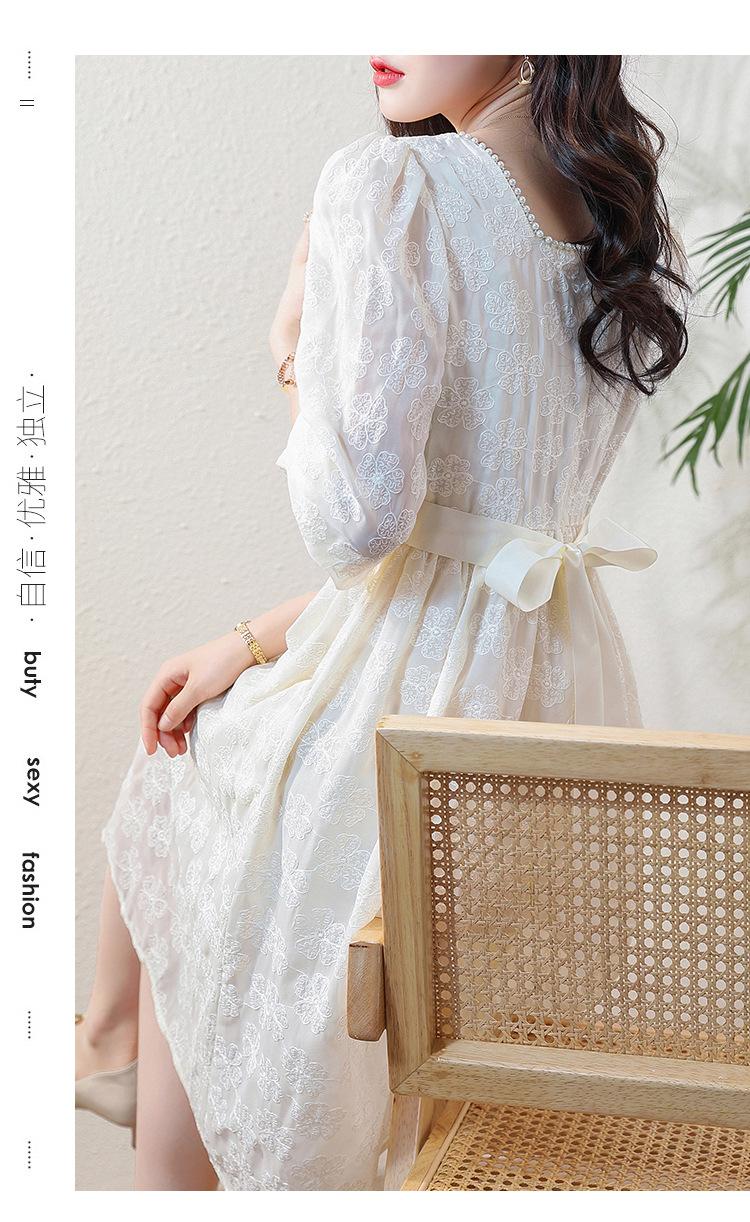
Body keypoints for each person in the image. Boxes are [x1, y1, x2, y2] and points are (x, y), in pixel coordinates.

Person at [76, 54, 689, 1190]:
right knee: (209, 743)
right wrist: (252, 638)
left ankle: (115, 1059)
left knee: (193, 790)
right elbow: (489, 544)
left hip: (415, 723)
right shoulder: (619, 211)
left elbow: (357, 522)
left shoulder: (392, 184)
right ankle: (112, 1050)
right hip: (558, 704)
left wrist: (290, 348)